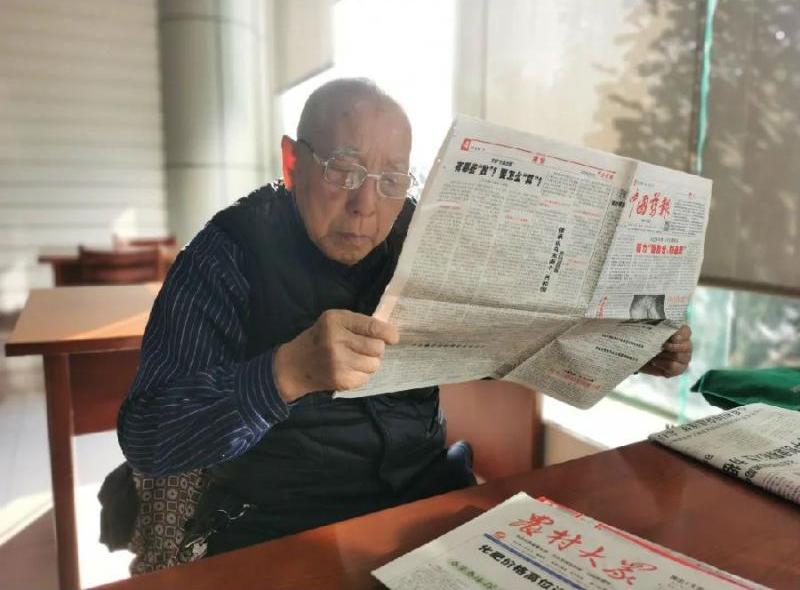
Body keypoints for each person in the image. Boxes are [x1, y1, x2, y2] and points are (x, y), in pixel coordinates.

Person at [117, 77, 693, 559]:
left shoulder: (420, 233)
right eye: (343, 170)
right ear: (293, 163)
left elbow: (503, 341)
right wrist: (284, 373)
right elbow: (148, 437)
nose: (366, 206)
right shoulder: (226, 255)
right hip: (283, 525)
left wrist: (619, 348)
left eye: (392, 180)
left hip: (425, 501)